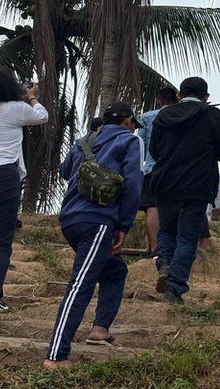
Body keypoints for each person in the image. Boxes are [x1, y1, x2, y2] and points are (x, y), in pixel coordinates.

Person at [45, 101, 143, 368]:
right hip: (98, 222)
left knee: (114, 271)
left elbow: (65, 171)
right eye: (133, 125)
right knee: (81, 284)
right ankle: (56, 355)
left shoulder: (83, 141)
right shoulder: (130, 141)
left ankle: (100, 328)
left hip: (70, 220)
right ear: (128, 121)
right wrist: (123, 226)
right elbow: (133, 185)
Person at [150, 76, 220, 304]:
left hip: (165, 184)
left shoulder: (163, 116)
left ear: (179, 95)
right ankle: (174, 288)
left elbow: (155, 151)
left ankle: (164, 264)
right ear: (206, 97)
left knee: (166, 231)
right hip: (196, 187)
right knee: (187, 238)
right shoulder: (211, 115)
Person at [0, 67, 48, 313]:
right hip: (3, 176)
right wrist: (31, 97)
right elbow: (42, 116)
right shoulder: (16, 108)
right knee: (1, 242)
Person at [137, 87, 179, 256]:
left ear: (158, 101)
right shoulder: (184, 115)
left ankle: (155, 249)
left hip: (152, 169)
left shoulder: (148, 117)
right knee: (177, 208)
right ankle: (176, 248)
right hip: (177, 171)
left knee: (152, 208)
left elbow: (140, 144)